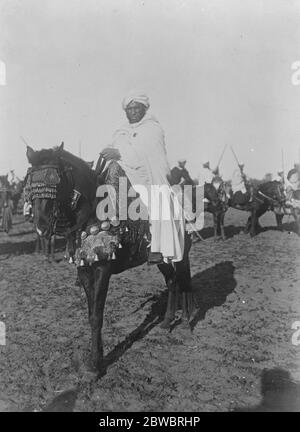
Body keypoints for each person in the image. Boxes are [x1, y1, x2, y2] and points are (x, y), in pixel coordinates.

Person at [98, 90, 185, 264]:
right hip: (123, 174)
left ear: (144, 108)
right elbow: (116, 148)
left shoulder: (153, 129)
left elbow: (145, 157)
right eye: (129, 109)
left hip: (148, 177)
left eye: (136, 108)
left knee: (157, 202)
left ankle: (156, 246)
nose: (133, 112)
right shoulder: (121, 130)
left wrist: (118, 152)